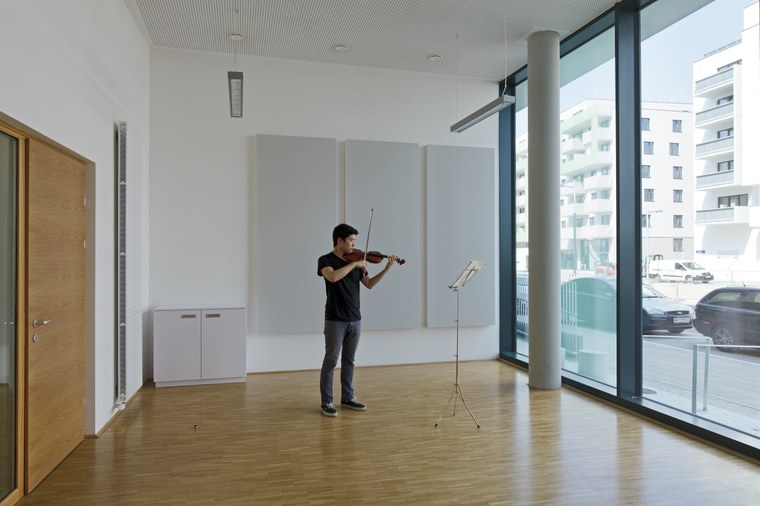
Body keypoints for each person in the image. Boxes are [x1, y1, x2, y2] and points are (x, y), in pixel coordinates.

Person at [317, 223, 397, 417]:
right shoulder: (325, 260)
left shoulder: (358, 261)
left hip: (355, 319)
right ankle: (327, 401)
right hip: (335, 320)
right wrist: (354, 264)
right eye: (351, 240)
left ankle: (348, 398)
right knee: (331, 361)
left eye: (355, 241)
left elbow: (369, 284)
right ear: (340, 240)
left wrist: (387, 268)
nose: (354, 245)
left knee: (349, 360)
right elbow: (333, 277)